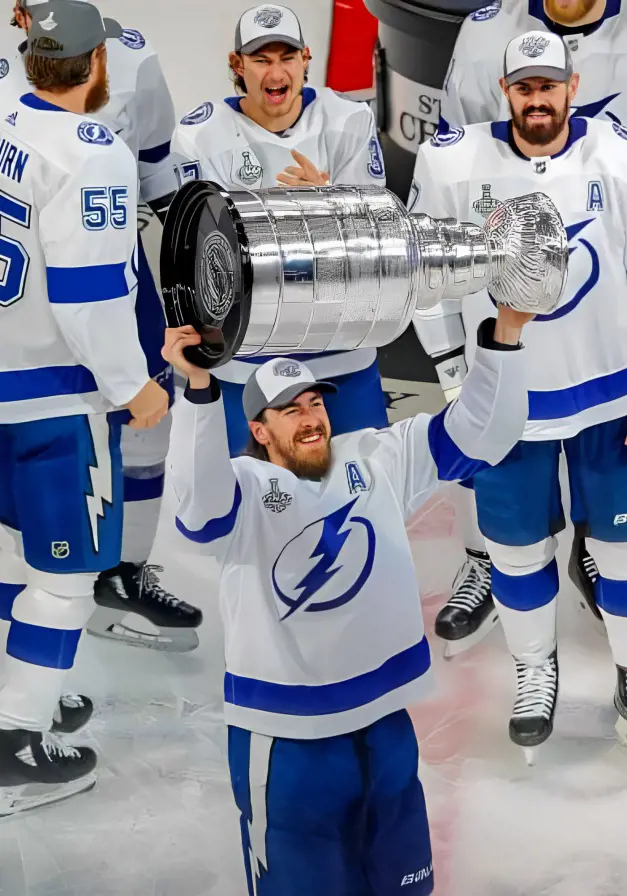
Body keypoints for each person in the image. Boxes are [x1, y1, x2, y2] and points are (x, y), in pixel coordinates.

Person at [162, 288, 533, 894]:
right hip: (287, 746)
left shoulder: (376, 458)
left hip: (385, 726)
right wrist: (200, 392)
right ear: (258, 429)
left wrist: (507, 333)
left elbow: (482, 435)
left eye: (314, 403)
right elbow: (198, 509)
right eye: (290, 410)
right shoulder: (244, 488)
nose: (311, 418)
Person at [411, 30, 627, 760]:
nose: (537, 99)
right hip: (508, 396)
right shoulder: (452, 161)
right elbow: (425, 274)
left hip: (609, 394)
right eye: (523, 86)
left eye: (549, 84)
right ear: (504, 91)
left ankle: (626, 671)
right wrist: (451, 379)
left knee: (623, 551)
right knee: (513, 550)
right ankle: (534, 669)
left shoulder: (614, 153)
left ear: (573, 87)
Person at [0, 0, 169, 814]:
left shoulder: (5, 117)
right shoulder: (92, 151)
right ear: (97, 61)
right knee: (65, 576)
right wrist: (130, 387)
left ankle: (16, 691)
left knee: (15, 560)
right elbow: (88, 292)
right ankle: (14, 742)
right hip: (52, 393)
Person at [3, 0, 203, 652]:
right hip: (48, 311)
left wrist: (201, 247)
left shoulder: (132, 58)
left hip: (95, 276)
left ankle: (121, 571)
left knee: (147, 422)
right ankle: (45, 617)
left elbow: (156, 170)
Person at [172, 4, 390, 458]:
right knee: (255, 503)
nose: (277, 72)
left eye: (287, 57)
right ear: (237, 65)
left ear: (306, 59)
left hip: (340, 348)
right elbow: (201, 255)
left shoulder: (348, 118)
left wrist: (332, 197)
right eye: (261, 59)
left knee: (365, 490)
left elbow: (379, 236)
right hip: (248, 356)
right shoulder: (201, 135)